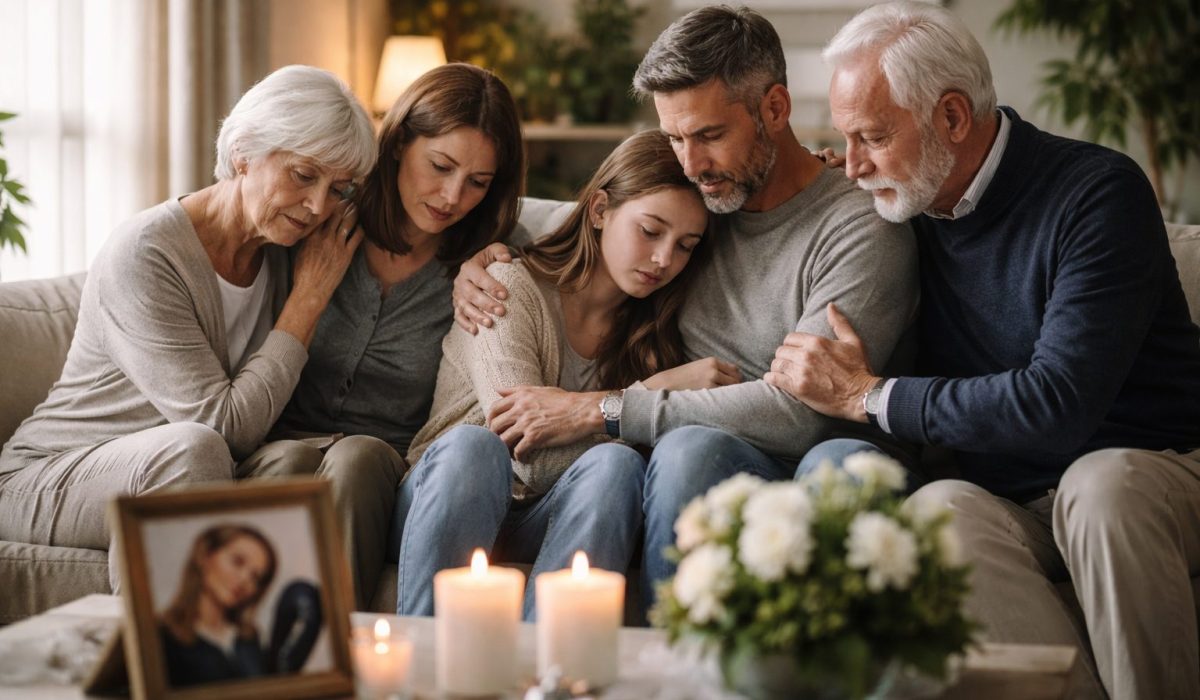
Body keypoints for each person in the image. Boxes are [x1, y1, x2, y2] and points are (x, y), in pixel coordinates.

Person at [763, 3, 1200, 698]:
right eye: (843, 140)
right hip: (1017, 498)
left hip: (1155, 470)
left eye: (872, 136)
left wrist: (867, 395)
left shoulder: (1097, 193)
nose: (850, 167)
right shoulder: (905, 201)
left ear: (954, 119)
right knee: (940, 512)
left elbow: (1058, 404)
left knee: (1101, 487)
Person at [451, 5, 918, 616]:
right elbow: (582, 216)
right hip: (686, 450)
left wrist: (607, 409)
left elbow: (807, 413)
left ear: (775, 110)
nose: (690, 163)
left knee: (692, 449)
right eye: (674, 136)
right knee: (684, 450)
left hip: (801, 452)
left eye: (709, 135)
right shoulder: (702, 204)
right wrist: (477, 256)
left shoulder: (858, 226)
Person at [0, 66, 376, 588]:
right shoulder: (147, 253)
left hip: (180, 468)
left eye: (339, 189)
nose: (317, 207)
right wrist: (309, 299)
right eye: (303, 175)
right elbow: (224, 428)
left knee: (294, 461)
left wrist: (489, 257)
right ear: (244, 153)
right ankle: (162, 665)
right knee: (193, 450)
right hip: (44, 476)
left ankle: (291, 661)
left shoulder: (285, 245)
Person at [236, 63, 524, 609]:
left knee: (360, 456)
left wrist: (493, 261)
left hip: (391, 480)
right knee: (304, 461)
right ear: (397, 146)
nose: (452, 195)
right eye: (439, 166)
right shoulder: (314, 219)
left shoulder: (486, 264)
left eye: (478, 183)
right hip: (280, 455)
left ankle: (334, 662)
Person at [396, 129, 714, 619]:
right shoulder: (504, 286)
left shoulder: (655, 337)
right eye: (651, 231)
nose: (663, 259)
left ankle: (549, 677)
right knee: (475, 445)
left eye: (685, 245)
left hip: (543, 518)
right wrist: (645, 396)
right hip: (449, 497)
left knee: (617, 466)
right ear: (600, 210)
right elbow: (523, 458)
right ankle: (425, 671)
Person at [158, 525, 322, 687]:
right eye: (237, 562)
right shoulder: (161, 635)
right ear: (205, 557)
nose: (244, 580)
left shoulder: (249, 639)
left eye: (255, 578)